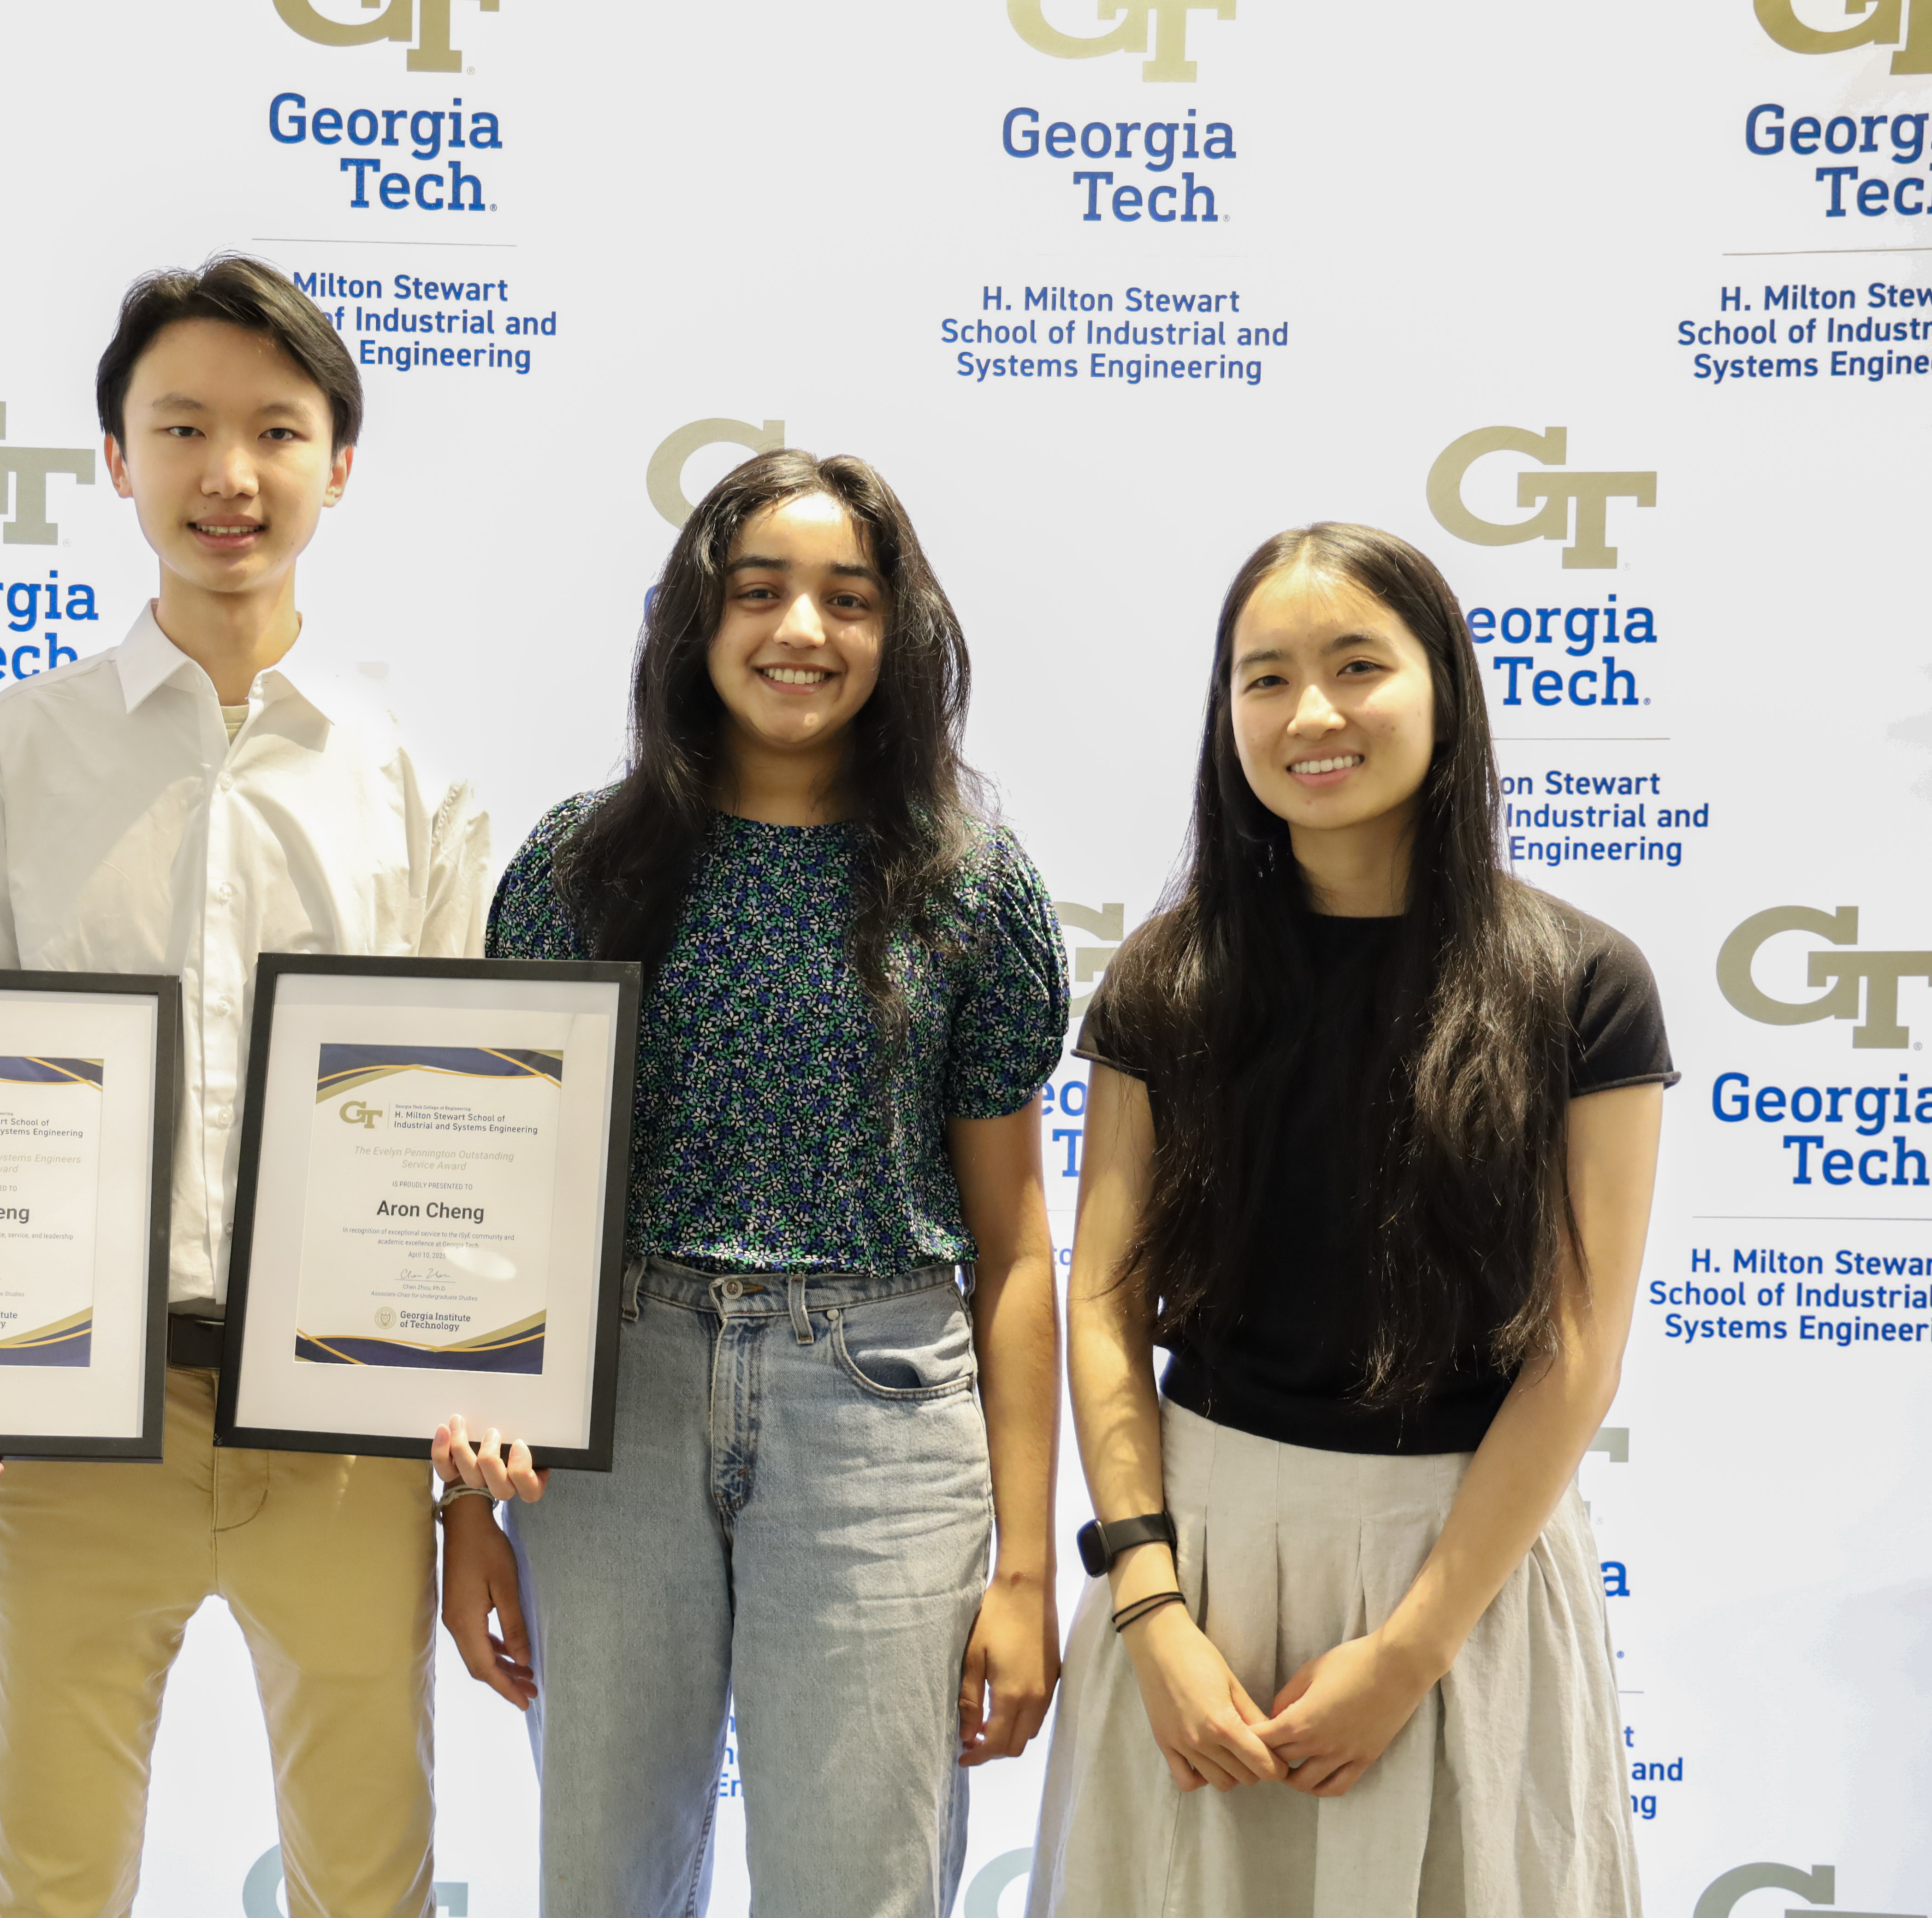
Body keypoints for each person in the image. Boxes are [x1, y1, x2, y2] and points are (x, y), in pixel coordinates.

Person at [0, 254, 492, 1918]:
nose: (230, 475)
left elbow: (452, 1135)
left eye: (276, 432)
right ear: (117, 458)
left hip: (346, 1435)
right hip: (82, 1425)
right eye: (184, 429)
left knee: (373, 1878)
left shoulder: (411, 783)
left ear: (338, 465)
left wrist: (469, 1416)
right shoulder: (15, 753)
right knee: (52, 1878)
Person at [435, 448, 1070, 1916]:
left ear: (897, 634)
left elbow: (1015, 1243)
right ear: (692, 623)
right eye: (759, 591)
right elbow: (500, 1211)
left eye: (848, 599)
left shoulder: (970, 881)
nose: (803, 630)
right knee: (606, 1878)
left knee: (861, 1882)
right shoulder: (579, 866)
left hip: (882, 1408)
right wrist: (463, 1513)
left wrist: (1030, 1567)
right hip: (612, 1409)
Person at [1025, 523, 1670, 1916]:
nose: (1311, 714)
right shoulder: (1169, 979)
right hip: (1197, 1569)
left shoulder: (1587, 985)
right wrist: (1150, 1609)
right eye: (1266, 679)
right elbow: (1103, 1304)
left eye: (1357, 666)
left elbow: (1578, 1350)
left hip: (1466, 1580)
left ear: (1443, 690)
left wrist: (1411, 1653)